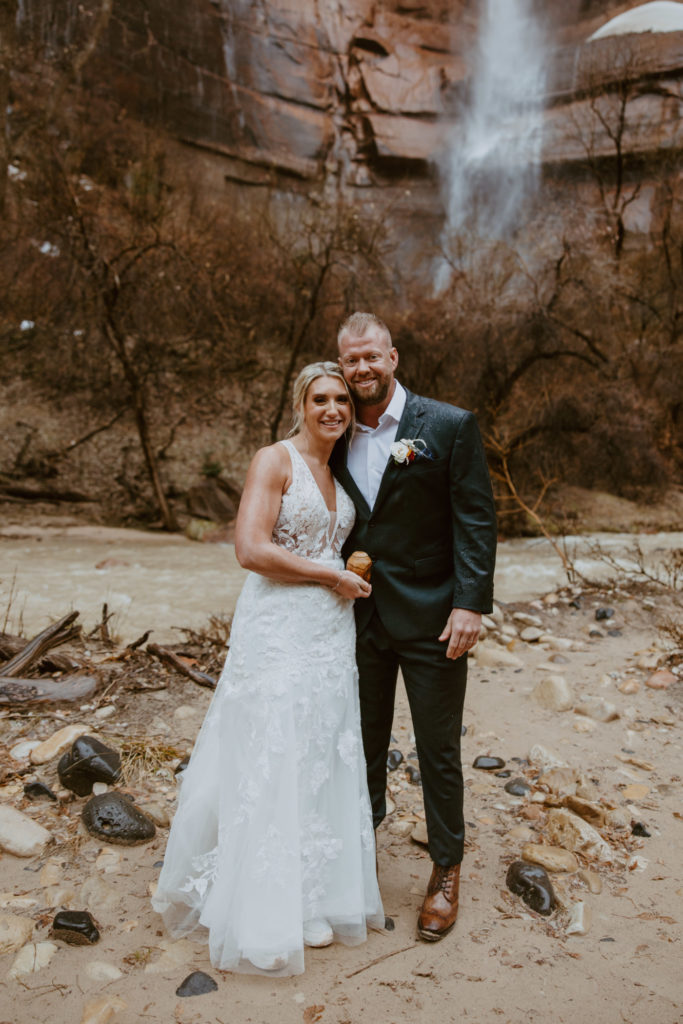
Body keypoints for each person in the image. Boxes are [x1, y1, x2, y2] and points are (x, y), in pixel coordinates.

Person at [152, 362, 383, 976]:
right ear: (300, 405)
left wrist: (346, 577)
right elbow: (250, 549)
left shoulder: (340, 472)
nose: (333, 408)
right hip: (278, 628)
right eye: (321, 399)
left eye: (341, 400)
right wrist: (328, 573)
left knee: (320, 753)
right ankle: (260, 899)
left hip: (330, 632)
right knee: (270, 750)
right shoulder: (273, 460)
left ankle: (315, 891)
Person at [331, 312, 497, 942]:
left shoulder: (448, 426)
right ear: (341, 365)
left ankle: (447, 870)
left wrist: (470, 604)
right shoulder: (336, 427)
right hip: (360, 617)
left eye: (372, 357)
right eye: (351, 360)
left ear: (393, 357)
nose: (362, 369)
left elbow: (476, 519)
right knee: (361, 745)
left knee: (438, 749)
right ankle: (359, 860)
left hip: (434, 619)